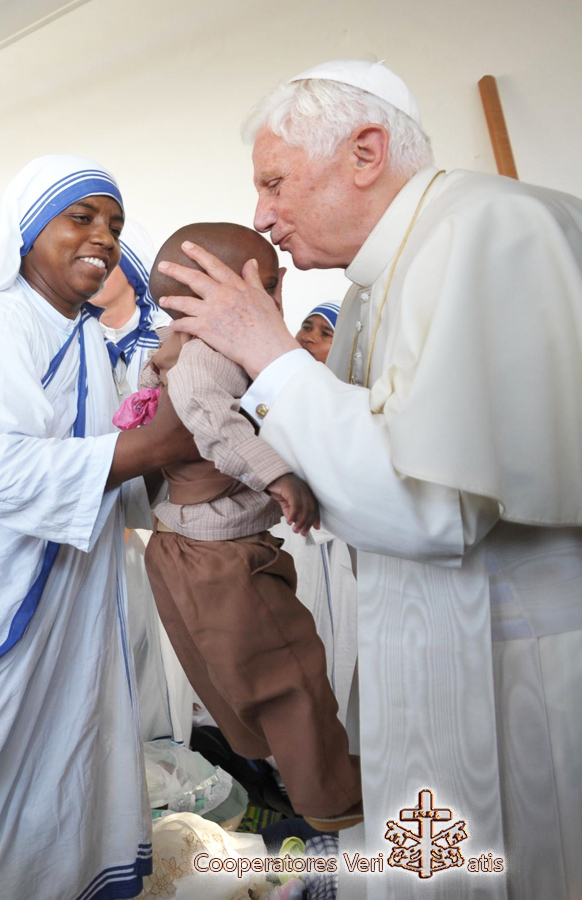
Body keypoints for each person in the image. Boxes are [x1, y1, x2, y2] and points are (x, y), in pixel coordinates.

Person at [156, 60, 582, 900]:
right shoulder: (377, 279)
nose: (261, 215)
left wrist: (269, 353)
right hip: (424, 640)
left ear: (365, 152)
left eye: (274, 183)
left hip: (519, 664)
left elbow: (432, 507)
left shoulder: (488, 228)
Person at [118, 221, 362, 831]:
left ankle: (297, 771)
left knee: (246, 674)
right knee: (292, 673)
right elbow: (213, 423)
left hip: (193, 549)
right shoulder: (206, 354)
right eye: (269, 287)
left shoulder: (173, 348)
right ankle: (330, 797)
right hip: (221, 555)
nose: (276, 302)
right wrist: (278, 476)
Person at [0, 154, 199, 900]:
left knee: (72, 769)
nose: (104, 238)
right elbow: (7, 469)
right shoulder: (8, 321)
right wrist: (158, 443)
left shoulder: (82, 333)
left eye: (114, 225)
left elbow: (110, 477)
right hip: (18, 593)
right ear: (25, 232)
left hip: (79, 601)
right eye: (81, 218)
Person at [88, 219, 195, 745]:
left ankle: (163, 751)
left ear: (130, 273)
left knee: (161, 650)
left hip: (161, 515)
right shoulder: (77, 339)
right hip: (98, 510)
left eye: (109, 263)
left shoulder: (165, 345)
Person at [272, 300, 357, 724]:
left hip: (330, 540)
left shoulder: (353, 404)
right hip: (282, 533)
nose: (309, 337)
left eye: (326, 334)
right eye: (307, 326)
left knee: (326, 636)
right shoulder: (274, 394)